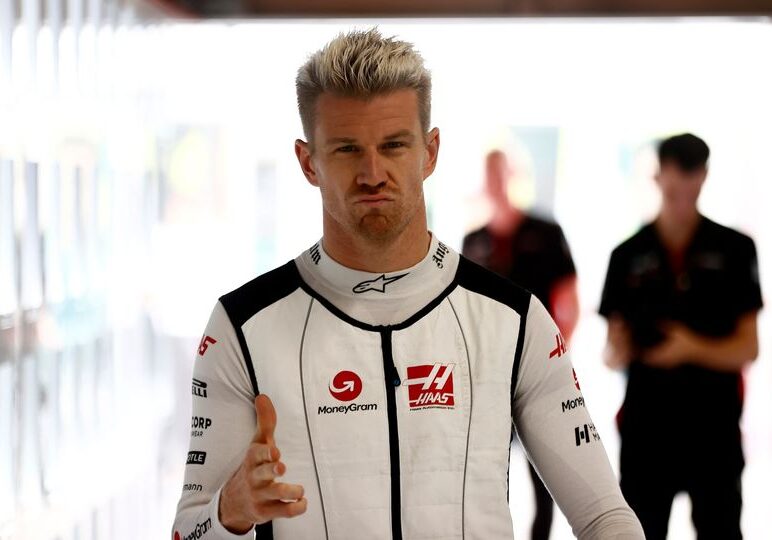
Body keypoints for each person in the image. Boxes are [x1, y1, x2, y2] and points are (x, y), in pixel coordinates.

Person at [172, 29, 644, 540]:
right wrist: (231, 511)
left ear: (430, 151)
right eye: (347, 149)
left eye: (394, 145)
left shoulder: (513, 319)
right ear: (309, 162)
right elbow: (188, 531)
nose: (373, 173)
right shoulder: (241, 326)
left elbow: (606, 518)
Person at [599, 133, 762, 540]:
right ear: (657, 178)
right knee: (638, 532)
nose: (683, 192)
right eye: (674, 181)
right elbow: (610, 352)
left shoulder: (735, 249)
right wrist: (621, 348)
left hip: (714, 431)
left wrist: (690, 347)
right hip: (647, 431)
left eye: (691, 177)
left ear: (704, 177)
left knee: (721, 529)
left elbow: (749, 346)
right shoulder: (627, 255)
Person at [463, 149, 579, 540]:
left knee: (546, 471)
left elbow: (570, 299)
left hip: (538, 370)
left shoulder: (545, 232)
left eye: (501, 172)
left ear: (513, 175)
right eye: (488, 173)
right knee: (487, 471)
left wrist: (556, 356)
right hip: (489, 375)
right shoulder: (475, 240)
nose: (495, 181)